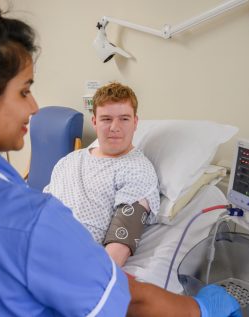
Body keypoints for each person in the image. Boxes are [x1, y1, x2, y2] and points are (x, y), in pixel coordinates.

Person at [0, 1, 241, 316]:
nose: (34, 107)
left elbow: (116, 256)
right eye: (24, 91)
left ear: (136, 123)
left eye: (124, 119)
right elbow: (126, 301)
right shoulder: (48, 195)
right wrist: (203, 309)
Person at [44, 82, 161, 267]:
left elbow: (119, 247)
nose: (115, 127)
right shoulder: (68, 161)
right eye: (106, 119)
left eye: (124, 119)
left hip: (71, 265)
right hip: (34, 249)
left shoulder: (137, 171)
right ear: (95, 122)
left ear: (135, 122)